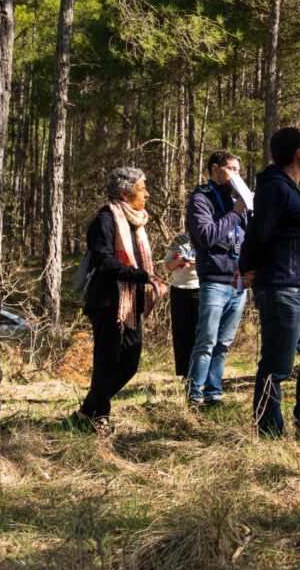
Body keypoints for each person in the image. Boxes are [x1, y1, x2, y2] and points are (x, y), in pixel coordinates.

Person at [240, 128, 300, 436]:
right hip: (281, 289)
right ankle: (268, 433)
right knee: (276, 367)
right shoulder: (275, 188)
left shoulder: (294, 190)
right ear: (299, 154)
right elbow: (257, 234)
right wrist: (246, 267)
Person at [75, 167, 165, 432]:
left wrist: (145, 278)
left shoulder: (135, 222)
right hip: (107, 302)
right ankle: (98, 416)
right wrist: (140, 276)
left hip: (129, 304)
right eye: (141, 189)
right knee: (107, 362)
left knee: (129, 361)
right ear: (125, 193)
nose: (147, 194)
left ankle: (86, 412)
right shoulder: (105, 219)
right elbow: (103, 262)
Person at [185, 150, 250, 408]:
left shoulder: (237, 199)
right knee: (207, 340)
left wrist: (250, 211)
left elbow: (246, 238)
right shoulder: (201, 199)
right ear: (215, 168)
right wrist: (235, 212)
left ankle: (213, 393)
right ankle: (194, 394)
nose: (236, 175)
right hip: (213, 279)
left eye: (238, 170)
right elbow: (207, 236)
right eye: (231, 169)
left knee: (223, 343)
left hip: (238, 281)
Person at [163, 233, 200, 376]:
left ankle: (201, 372)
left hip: (200, 288)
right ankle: (186, 373)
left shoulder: (206, 237)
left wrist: (199, 263)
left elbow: (214, 262)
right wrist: (178, 262)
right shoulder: (178, 241)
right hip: (179, 290)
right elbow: (166, 266)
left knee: (202, 333)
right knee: (182, 333)